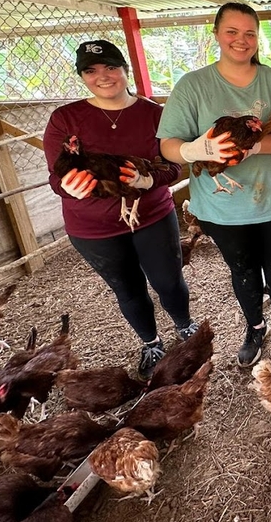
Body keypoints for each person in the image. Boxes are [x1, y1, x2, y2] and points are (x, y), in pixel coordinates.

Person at [157, 2, 271, 368]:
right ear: (217, 36)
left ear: (258, 38)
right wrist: (193, 148)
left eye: (250, 33)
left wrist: (253, 146)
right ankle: (255, 327)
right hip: (221, 204)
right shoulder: (193, 86)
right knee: (241, 268)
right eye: (232, 32)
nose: (242, 40)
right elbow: (168, 146)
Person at [44, 39, 197, 380]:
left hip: (152, 215)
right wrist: (66, 187)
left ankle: (185, 326)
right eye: (91, 70)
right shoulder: (65, 119)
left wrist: (148, 182)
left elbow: (172, 166)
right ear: (83, 76)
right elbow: (56, 178)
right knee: (127, 288)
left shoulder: (154, 114)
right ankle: (151, 342)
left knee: (168, 280)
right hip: (93, 228)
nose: (103, 76)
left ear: (125, 70)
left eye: (111, 67)